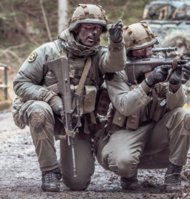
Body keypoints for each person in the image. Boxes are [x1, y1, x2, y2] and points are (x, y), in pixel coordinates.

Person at [12, 4, 126, 192]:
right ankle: (49, 171)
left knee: (77, 183)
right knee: (39, 111)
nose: (94, 33)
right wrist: (50, 98)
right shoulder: (48, 51)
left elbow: (116, 64)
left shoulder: (100, 55)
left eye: (98, 29)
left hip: (77, 121)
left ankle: (67, 165)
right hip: (49, 113)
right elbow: (20, 83)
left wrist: (116, 44)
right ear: (76, 28)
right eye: (88, 27)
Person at [95, 21, 190, 192]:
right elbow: (125, 106)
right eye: (141, 49)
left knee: (185, 116)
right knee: (122, 162)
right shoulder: (117, 72)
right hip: (126, 130)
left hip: (157, 128)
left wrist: (174, 84)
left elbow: (177, 106)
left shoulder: (162, 63)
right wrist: (149, 82)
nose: (148, 52)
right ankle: (128, 175)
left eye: (150, 47)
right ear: (128, 53)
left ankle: (173, 174)